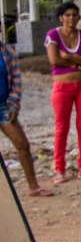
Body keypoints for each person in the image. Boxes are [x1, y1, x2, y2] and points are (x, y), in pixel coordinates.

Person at [44, 1, 81, 183]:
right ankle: (59, 168)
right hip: (62, 87)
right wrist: (77, 63)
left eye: (74, 15)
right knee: (61, 128)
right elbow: (54, 61)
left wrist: (68, 57)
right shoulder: (53, 35)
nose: (71, 18)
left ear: (79, 17)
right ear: (61, 18)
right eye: (67, 15)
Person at [0, 38, 48, 196]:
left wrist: (14, 104)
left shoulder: (8, 52)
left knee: (23, 145)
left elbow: (16, 81)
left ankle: (33, 187)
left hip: (4, 106)